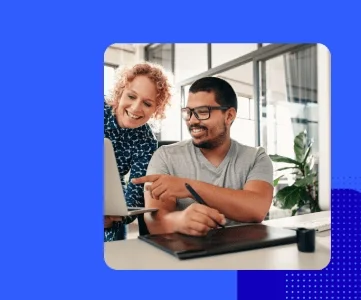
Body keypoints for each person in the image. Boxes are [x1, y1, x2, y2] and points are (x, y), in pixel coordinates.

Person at [132, 76, 274, 237]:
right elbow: (154, 222)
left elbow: (257, 209)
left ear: (229, 116)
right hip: (185, 256)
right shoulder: (165, 156)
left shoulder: (256, 157)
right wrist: (179, 221)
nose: (192, 120)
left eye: (202, 112)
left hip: (244, 255)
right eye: (188, 112)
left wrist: (189, 187)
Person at [104, 62, 172, 241]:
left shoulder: (147, 142)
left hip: (108, 206)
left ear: (156, 110)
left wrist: (113, 218)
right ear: (120, 92)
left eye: (147, 103)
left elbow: (135, 192)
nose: (135, 108)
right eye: (131, 96)